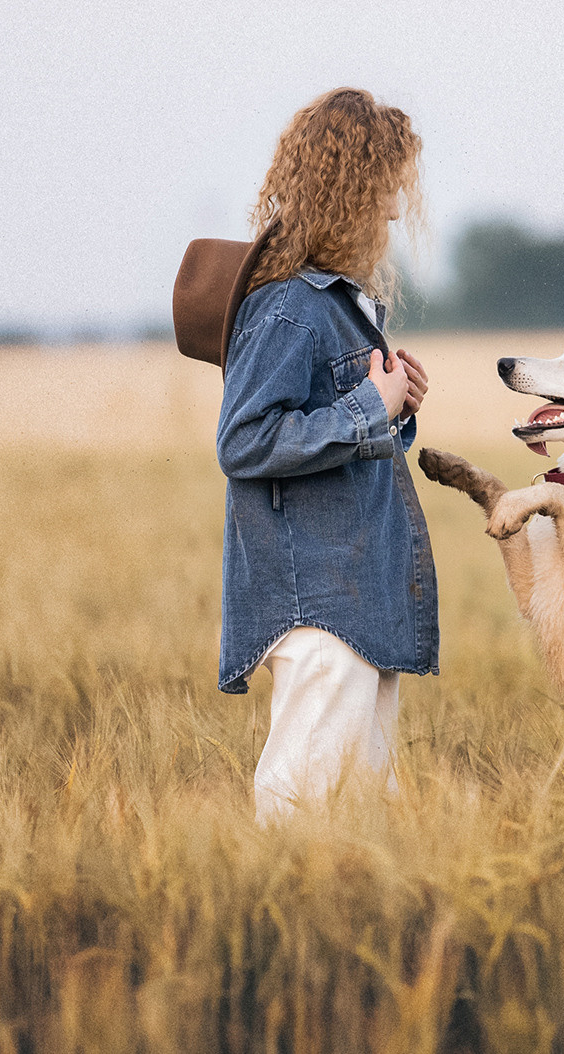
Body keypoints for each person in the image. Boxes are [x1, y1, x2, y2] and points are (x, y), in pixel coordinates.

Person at [215, 88, 436, 822]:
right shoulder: (288, 307)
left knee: (366, 826)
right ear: (349, 190)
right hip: (319, 611)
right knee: (304, 819)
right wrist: (367, 407)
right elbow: (244, 441)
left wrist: (392, 407)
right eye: (386, 190)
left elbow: (332, 435)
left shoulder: (336, 304)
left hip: (355, 600)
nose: (397, 211)